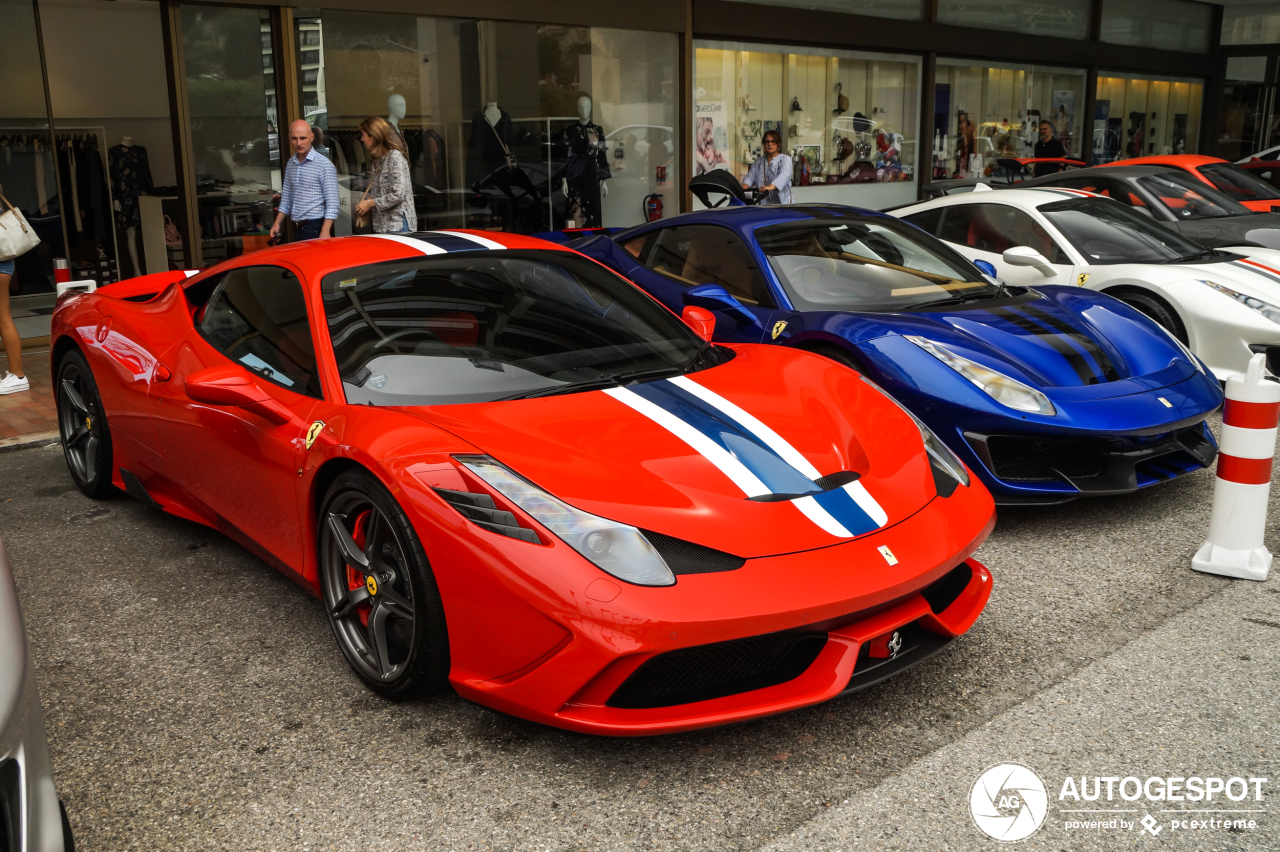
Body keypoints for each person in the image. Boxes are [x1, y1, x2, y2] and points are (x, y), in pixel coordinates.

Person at [270, 120, 339, 243]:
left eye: (303, 138)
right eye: (294, 139)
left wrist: (325, 230)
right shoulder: (291, 163)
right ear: (289, 138)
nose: (299, 143)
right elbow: (286, 198)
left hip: (315, 225)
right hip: (296, 227)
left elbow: (333, 202)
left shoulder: (324, 165)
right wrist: (277, 223)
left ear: (312, 137)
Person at [354, 116, 416, 234]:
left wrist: (370, 203)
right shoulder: (377, 160)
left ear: (374, 136)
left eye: (363, 135)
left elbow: (398, 194)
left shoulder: (394, 157)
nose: (361, 139)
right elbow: (382, 191)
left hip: (398, 225)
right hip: (381, 226)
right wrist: (369, 200)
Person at [741, 128, 792, 205]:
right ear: (764, 144)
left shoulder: (785, 159)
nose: (770, 144)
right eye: (767, 141)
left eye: (773, 141)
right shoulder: (759, 161)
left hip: (783, 206)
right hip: (764, 206)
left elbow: (785, 175)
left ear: (779, 144)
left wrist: (770, 187)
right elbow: (750, 177)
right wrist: (745, 185)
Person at [0, 257, 27, 395]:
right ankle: (18, 375)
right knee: (4, 318)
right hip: (4, 264)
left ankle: (18, 376)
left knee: (4, 319)